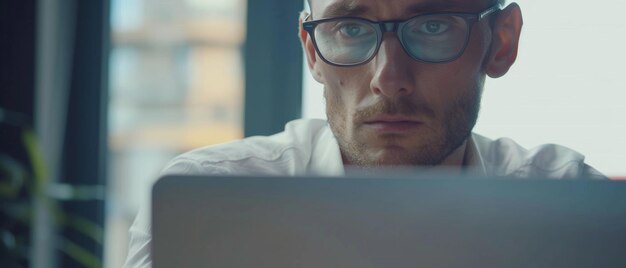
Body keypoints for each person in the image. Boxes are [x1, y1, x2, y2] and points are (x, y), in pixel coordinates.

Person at [123, 0, 604, 266]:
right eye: (350, 29)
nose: (388, 77)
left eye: (433, 25)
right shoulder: (209, 197)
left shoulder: (577, 202)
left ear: (502, 42)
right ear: (311, 52)